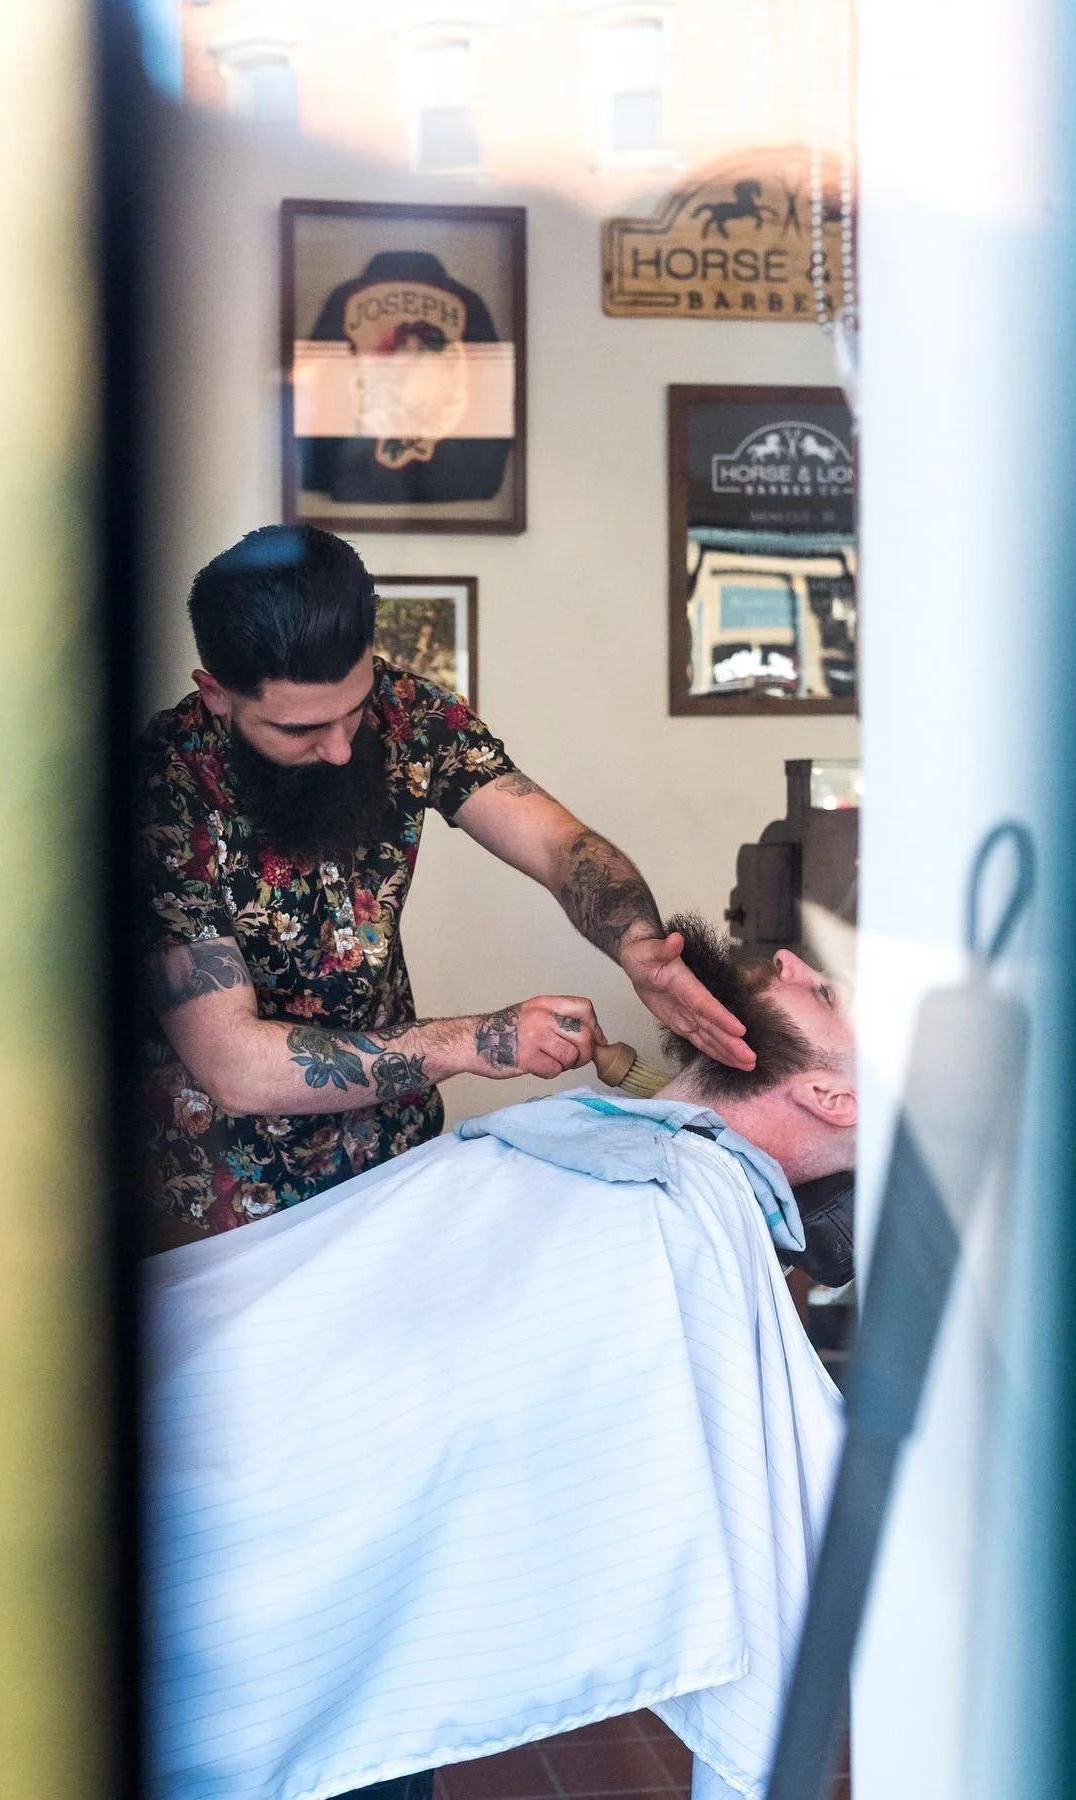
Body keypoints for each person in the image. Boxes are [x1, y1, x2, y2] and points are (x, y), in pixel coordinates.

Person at [146, 916, 854, 1800]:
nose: (791, 957)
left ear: (832, 1099)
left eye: (823, 992)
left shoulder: (689, 1212)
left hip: (286, 1498)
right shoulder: (622, 1151)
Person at [137, 524, 755, 1245]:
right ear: (215, 694)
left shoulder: (410, 716)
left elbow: (562, 846)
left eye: (353, 711)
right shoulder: (161, 793)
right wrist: (482, 1041)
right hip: (217, 1208)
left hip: (394, 1164)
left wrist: (638, 943)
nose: (339, 750)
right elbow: (234, 1064)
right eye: (301, 730)